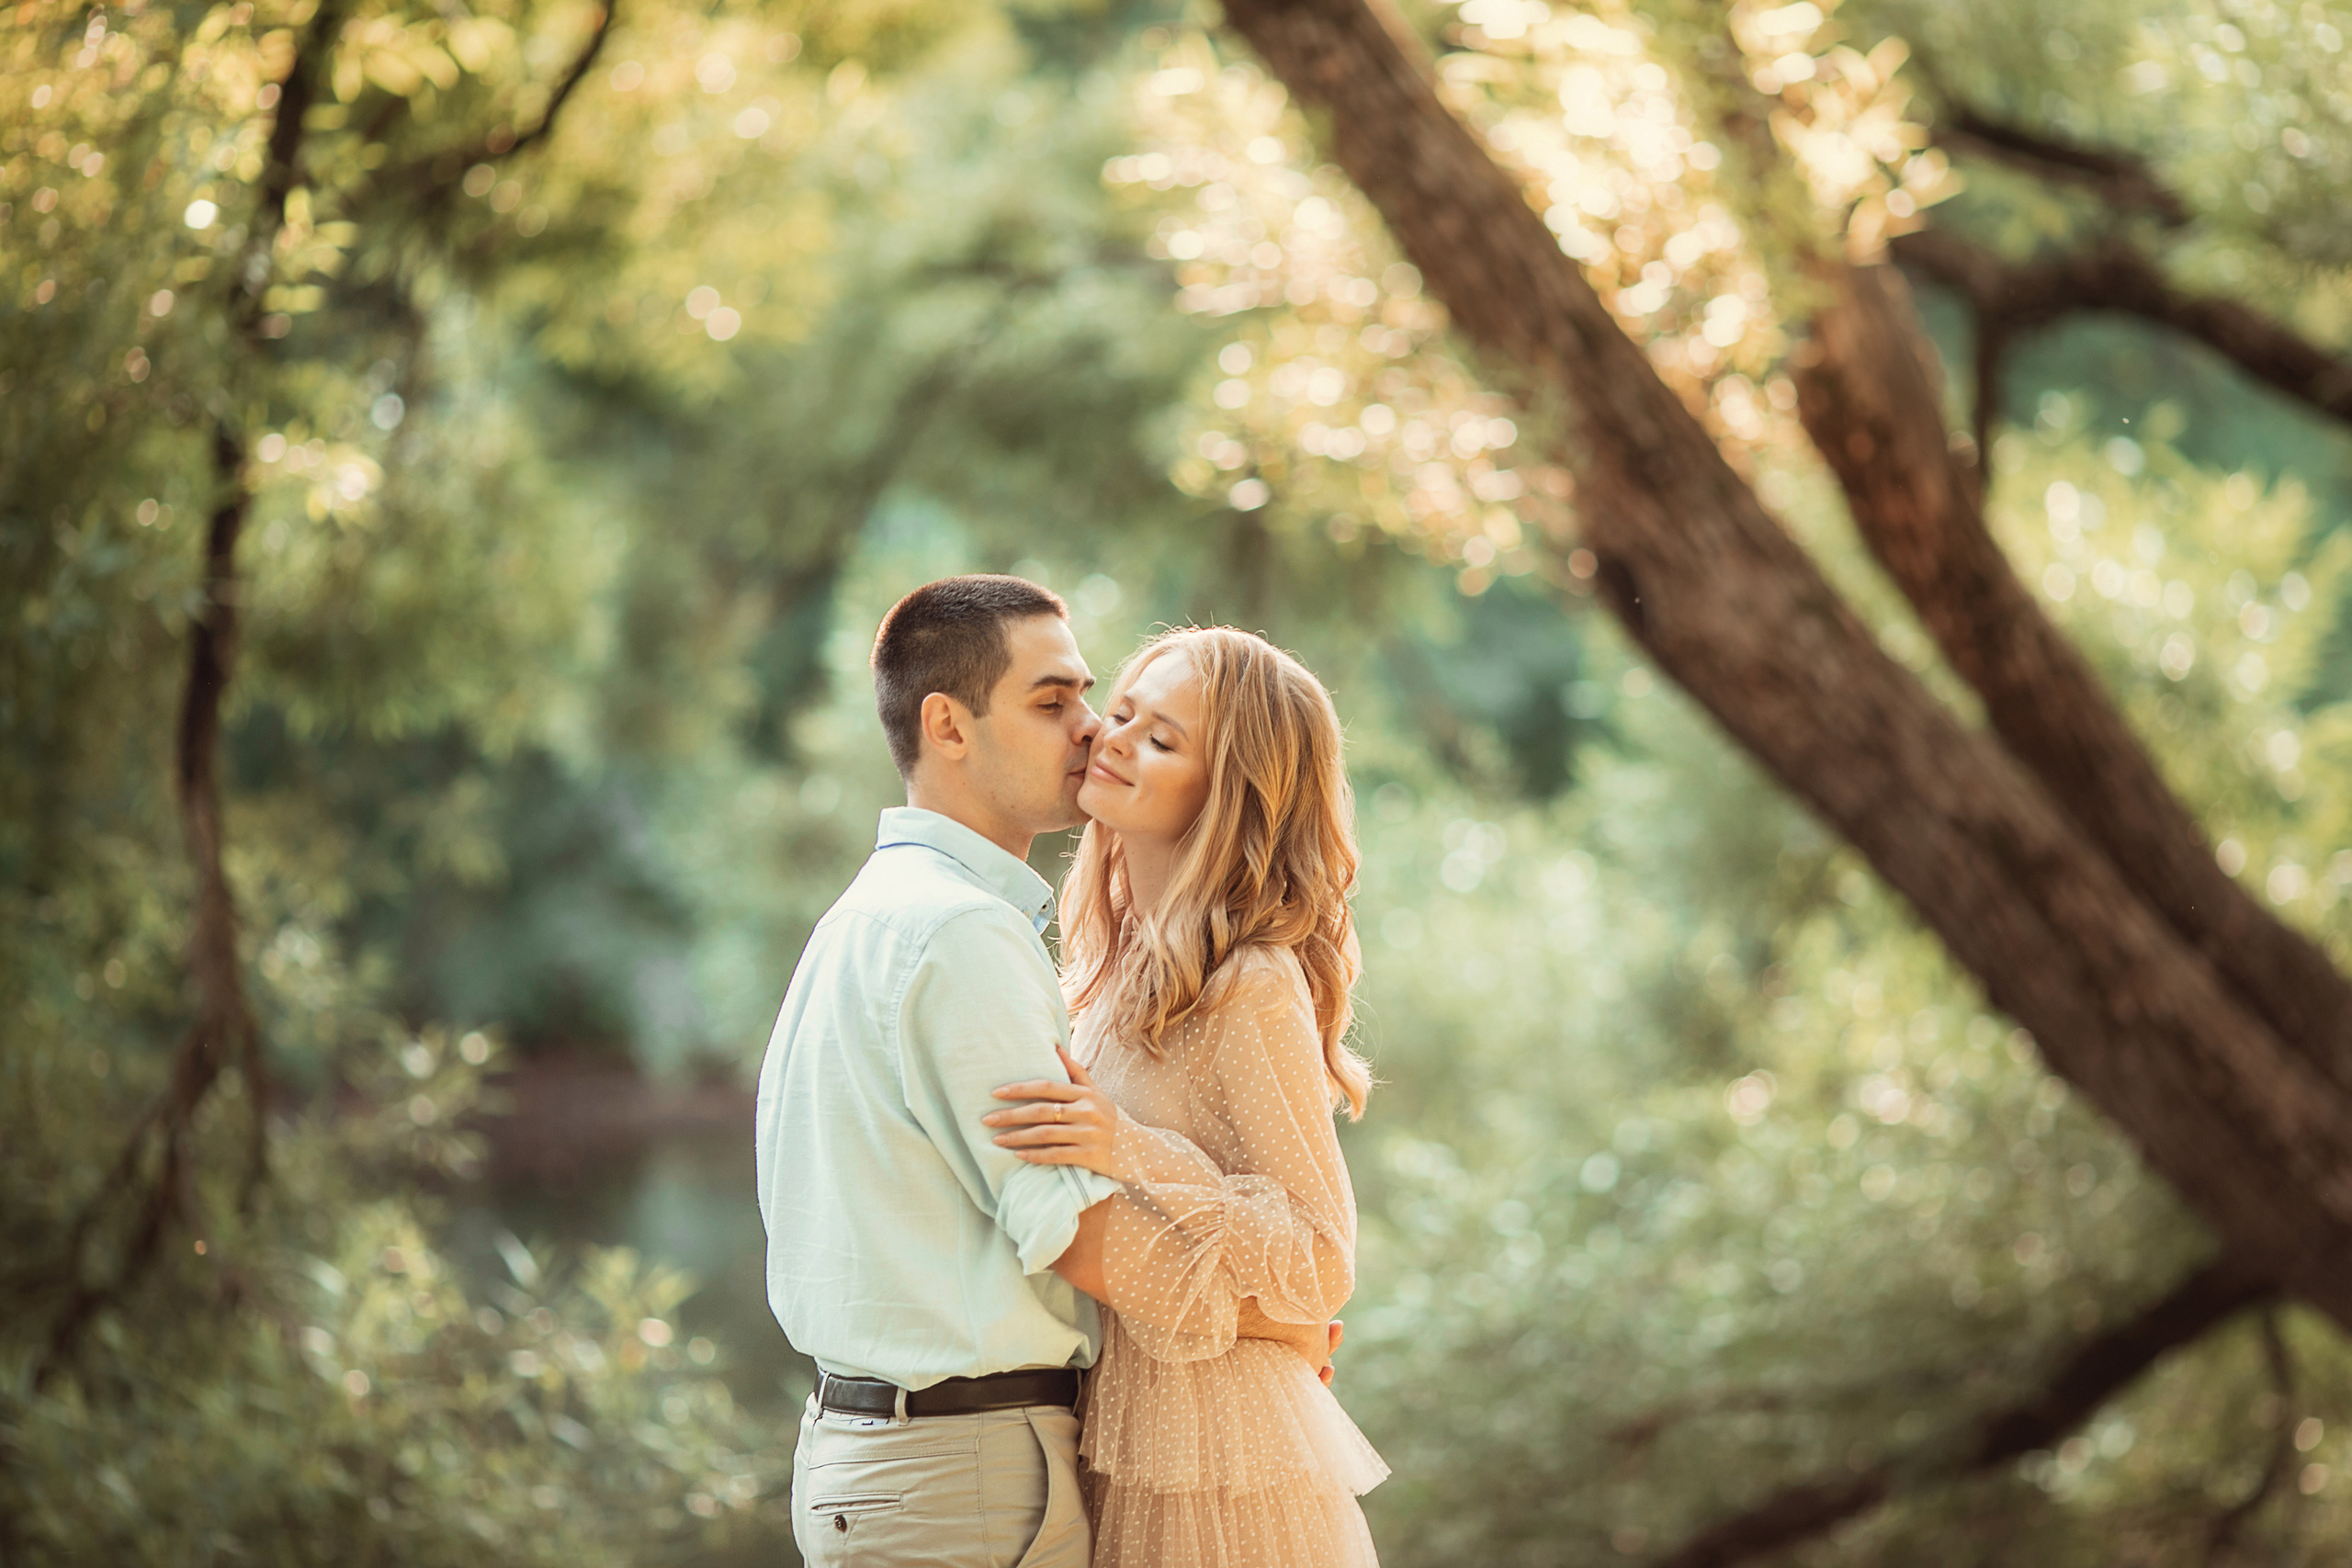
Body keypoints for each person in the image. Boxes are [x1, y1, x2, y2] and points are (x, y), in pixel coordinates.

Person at [754, 579, 1331, 1568]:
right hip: (959, 1471)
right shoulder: (963, 933)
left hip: (926, 1458)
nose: (1093, 730)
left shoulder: (881, 912)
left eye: (1090, 698)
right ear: (948, 726)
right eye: (1053, 701)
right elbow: (1076, 1235)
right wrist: (1276, 1322)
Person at [982, 626, 1387, 1568]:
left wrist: (1129, 1146)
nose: (1114, 739)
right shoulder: (1102, 971)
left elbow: (1323, 1258)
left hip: (1224, 1459)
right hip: (1119, 1424)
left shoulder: (1249, 983)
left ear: (1228, 794)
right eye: (1122, 713)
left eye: (1162, 739)